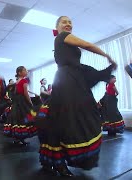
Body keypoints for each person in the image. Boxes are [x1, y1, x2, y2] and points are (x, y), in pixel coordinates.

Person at [38, 16, 117, 177]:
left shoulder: (64, 41)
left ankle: (56, 161)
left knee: (68, 121)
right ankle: (58, 163)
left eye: (70, 22)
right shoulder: (61, 37)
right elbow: (87, 44)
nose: (68, 24)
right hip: (67, 82)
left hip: (71, 79)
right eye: (64, 22)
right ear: (57, 27)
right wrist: (106, 55)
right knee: (67, 122)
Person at [3, 66, 37, 146]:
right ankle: (21, 139)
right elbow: (25, 93)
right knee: (25, 118)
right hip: (22, 103)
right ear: (19, 72)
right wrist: (30, 102)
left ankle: (18, 138)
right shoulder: (24, 80)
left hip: (16, 103)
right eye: (25, 70)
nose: (27, 71)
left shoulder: (17, 81)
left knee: (17, 119)